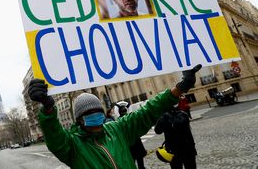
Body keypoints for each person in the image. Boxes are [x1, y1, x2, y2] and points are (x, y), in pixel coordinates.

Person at [28, 64, 202, 169]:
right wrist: (49, 108)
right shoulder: (73, 146)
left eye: (98, 112)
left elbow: (148, 111)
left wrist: (180, 88)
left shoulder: (117, 129)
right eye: (88, 114)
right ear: (79, 120)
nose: (95, 116)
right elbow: (55, 136)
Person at [117, 102, 147, 169]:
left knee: (133, 164)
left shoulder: (119, 121)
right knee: (140, 164)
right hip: (134, 143)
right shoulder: (130, 117)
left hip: (130, 145)